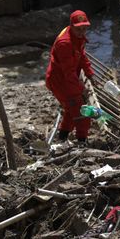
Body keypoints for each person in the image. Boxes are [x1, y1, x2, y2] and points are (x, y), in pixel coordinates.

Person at [45, 10, 95, 144]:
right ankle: (82, 142)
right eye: (79, 29)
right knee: (82, 112)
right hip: (60, 81)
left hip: (67, 78)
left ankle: (62, 138)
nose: (82, 32)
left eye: (85, 28)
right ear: (71, 26)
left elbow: (82, 55)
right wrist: (81, 89)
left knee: (70, 109)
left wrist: (89, 73)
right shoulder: (65, 43)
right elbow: (69, 72)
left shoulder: (77, 37)